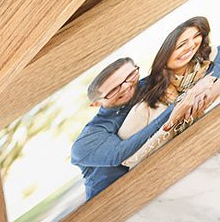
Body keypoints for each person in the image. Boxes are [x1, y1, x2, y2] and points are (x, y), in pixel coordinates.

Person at [71, 57, 196, 200]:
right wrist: (175, 109)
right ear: (96, 104)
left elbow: (215, 57)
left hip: (160, 179)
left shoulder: (144, 85)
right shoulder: (89, 138)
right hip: (112, 202)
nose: (126, 87)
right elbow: (118, 154)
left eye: (130, 76)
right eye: (113, 89)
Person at [118, 17, 220, 168]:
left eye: (196, 37)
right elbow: (127, 160)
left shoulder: (202, 74)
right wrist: (169, 125)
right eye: (181, 44)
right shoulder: (144, 108)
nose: (190, 46)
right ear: (165, 55)